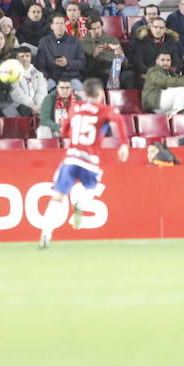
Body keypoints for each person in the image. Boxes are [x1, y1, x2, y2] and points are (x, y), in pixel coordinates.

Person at [39, 78, 129, 249]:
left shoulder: (75, 108)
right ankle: (81, 204)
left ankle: (46, 232)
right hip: (90, 161)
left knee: (57, 196)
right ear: (100, 94)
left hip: (71, 158)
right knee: (93, 188)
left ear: (85, 94)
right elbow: (118, 120)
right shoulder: (103, 110)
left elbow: (65, 131)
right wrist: (124, 144)